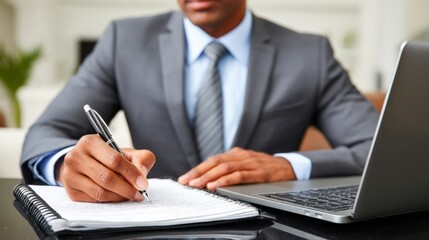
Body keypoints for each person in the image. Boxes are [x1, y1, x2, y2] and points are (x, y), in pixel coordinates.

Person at [20, 0, 379, 203]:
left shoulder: (308, 53)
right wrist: (67, 163)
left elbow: (379, 148)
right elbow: (47, 132)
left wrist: (287, 166)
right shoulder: (123, 41)